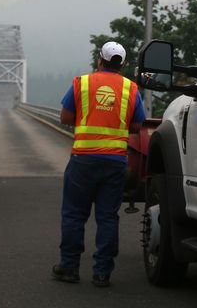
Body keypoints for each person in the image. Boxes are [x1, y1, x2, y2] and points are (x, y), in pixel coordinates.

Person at [52, 41, 146, 288]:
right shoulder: (130, 88)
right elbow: (138, 125)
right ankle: (102, 272)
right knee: (107, 217)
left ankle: (69, 267)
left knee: (74, 214)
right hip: (115, 162)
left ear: (99, 59)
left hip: (83, 159)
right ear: (122, 64)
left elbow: (65, 116)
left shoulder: (81, 83)